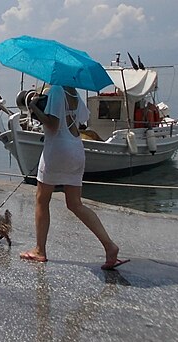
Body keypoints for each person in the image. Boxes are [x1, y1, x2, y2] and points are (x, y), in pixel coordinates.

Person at [19, 85, 129, 270]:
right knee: (75, 203)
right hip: (76, 148)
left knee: (41, 199)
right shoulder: (74, 94)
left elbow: (53, 125)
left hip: (57, 148)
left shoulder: (55, 91)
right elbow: (82, 119)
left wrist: (34, 107)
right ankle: (109, 246)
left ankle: (40, 250)